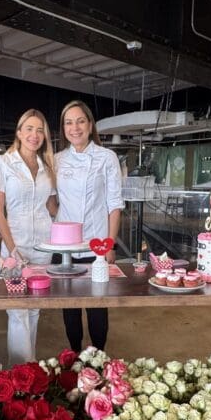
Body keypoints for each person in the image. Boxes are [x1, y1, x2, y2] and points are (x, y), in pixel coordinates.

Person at [54, 100, 124, 352]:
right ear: (63, 128)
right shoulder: (57, 160)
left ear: (90, 124)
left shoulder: (107, 157)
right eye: (68, 122)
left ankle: (98, 356)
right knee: (70, 308)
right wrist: (60, 224)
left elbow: (114, 204)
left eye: (80, 121)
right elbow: (52, 199)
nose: (75, 128)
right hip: (65, 248)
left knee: (97, 308)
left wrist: (109, 244)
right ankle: (73, 354)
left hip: (97, 245)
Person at [0, 109, 58, 364]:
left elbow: (52, 208)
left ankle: (30, 370)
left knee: (35, 309)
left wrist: (77, 227)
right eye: (29, 128)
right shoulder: (2, 162)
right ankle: (20, 375)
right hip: (14, 245)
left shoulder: (46, 166)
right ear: (19, 132)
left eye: (40, 130)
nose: (34, 135)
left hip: (43, 245)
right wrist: (12, 248)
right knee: (17, 310)